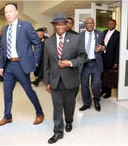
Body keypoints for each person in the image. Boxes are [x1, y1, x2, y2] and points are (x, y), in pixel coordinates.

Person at [0, 3, 44, 126]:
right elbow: (2, 49)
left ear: (16, 12)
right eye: (6, 12)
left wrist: (36, 60)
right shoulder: (5, 29)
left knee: (28, 90)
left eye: (10, 11)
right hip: (8, 66)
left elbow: (37, 44)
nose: (8, 14)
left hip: (21, 65)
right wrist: (1, 66)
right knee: (7, 92)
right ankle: (7, 116)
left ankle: (39, 113)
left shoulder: (26, 26)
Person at [44, 13, 87, 144]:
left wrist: (70, 63)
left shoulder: (76, 38)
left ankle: (69, 121)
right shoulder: (48, 42)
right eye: (57, 24)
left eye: (63, 24)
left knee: (69, 105)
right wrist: (47, 82)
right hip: (55, 80)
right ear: (54, 26)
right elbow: (46, 64)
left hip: (70, 79)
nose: (60, 26)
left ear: (67, 24)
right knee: (57, 107)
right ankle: (58, 131)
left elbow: (83, 57)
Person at [79, 17, 104, 112]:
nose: (90, 24)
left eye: (92, 23)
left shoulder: (100, 34)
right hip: (85, 63)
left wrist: (102, 47)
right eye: (88, 23)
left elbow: (104, 46)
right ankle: (87, 103)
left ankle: (97, 101)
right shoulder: (80, 36)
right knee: (84, 85)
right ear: (85, 24)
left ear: (94, 24)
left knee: (96, 84)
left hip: (96, 63)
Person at [101, 19, 120, 98]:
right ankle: (103, 90)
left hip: (111, 58)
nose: (110, 25)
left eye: (112, 24)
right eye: (108, 24)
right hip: (102, 57)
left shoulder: (118, 34)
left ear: (115, 25)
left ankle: (108, 93)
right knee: (102, 75)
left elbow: (117, 49)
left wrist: (116, 62)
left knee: (109, 75)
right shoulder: (104, 32)